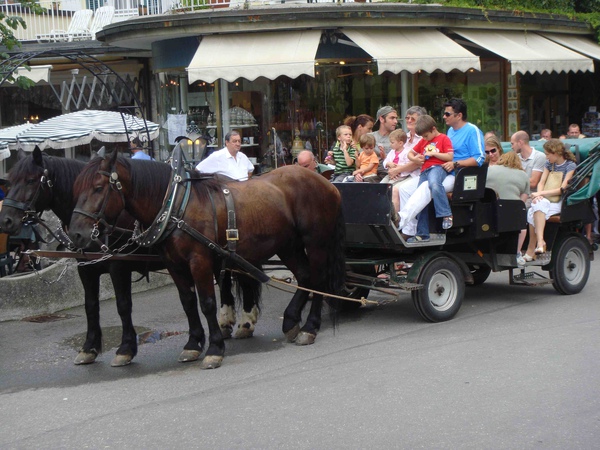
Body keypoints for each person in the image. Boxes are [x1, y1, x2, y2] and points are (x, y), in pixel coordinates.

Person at [398, 98, 485, 237]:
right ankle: (410, 231)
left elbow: (480, 158)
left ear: (459, 115)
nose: (444, 116)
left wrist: (456, 163)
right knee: (404, 189)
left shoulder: (472, 130)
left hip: (459, 175)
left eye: (447, 114)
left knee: (427, 187)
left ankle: (402, 219)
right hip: (440, 170)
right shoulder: (450, 131)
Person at [522, 139, 577, 262]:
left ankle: (533, 248)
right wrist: (538, 195)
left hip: (559, 201)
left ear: (556, 153)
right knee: (535, 206)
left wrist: (540, 193)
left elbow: (562, 188)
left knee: (532, 210)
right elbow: (541, 182)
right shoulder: (548, 164)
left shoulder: (570, 165)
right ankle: (540, 243)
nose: (546, 157)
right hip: (546, 198)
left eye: (547, 154)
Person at [404, 115, 454, 243]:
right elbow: (410, 153)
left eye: (426, 136)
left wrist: (434, 153)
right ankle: (422, 233)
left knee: (434, 184)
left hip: (437, 168)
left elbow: (449, 156)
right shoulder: (423, 141)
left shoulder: (443, 138)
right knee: (420, 199)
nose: (425, 139)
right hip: (424, 171)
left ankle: (445, 214)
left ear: (433, 129)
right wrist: (415, 159)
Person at [485, 151, 530, 266]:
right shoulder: (523, 175)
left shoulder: (489, 170)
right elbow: (523, 200)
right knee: (523, 227)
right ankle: (517, 252)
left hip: (489, 211)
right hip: (510, 214)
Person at [369, 106, 398, 178]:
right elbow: (362, 159)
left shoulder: (399, 138)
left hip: (391, 175)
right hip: (371, 174)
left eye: (396, 118)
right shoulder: (369, 137)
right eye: (392, 118)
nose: (396, 121)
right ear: (381, 119)